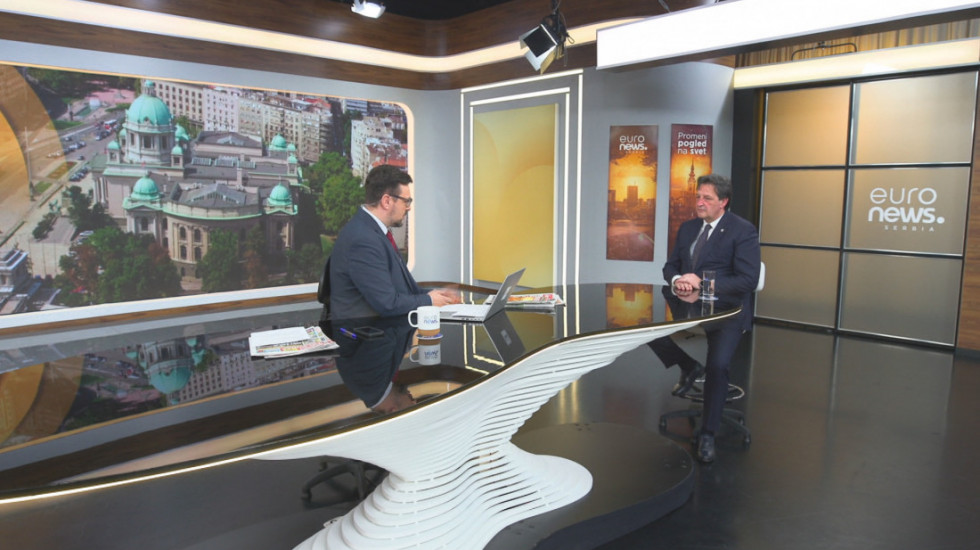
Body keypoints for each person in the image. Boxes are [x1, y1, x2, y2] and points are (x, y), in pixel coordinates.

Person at [648, 173, 760, 463]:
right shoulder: (688, 228)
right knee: (645, 329)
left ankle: (708, 433)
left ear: (723, 202)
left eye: (707, 198)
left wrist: (703, 282)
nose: (699, 202)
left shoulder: (742, 231)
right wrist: (678, 280)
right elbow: (670, 266)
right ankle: (689, 366)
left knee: (718, 366)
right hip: (689, 307)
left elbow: (747, 280)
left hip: (728, 312)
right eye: (698, 197)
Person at [329, 164, 459, 319]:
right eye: (406, 201)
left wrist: (437, 295)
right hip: (370, 331)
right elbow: (387, 304)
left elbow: (402, 292)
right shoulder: (363, 240)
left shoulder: (374, 231)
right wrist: (429, 300)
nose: (409, 208)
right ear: (387, 201)